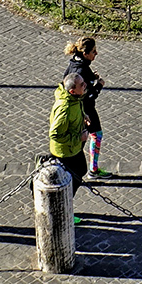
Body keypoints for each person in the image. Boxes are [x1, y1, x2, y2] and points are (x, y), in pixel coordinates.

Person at [64, 37, 108, 177]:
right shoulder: (82, 69)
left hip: (78, 108)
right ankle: (92, 170)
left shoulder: (75, 63)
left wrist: (91, 77)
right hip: (85, 109)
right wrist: (99, 85)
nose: (96, 54)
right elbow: (88, 96)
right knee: (94, 135)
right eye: (93, 51)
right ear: (85, 53)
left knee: (83, 138)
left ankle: (71, 169)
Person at [48, 72, 91, 197]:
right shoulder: (64, 109)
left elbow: (77, 107)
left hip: (74, 148)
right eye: (82, 85)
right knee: (72, 177)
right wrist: (79, 138)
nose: (85, 85)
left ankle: (66, 200)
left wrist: (83, 116)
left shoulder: (75, 98)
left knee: (81, 170)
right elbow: (55, 134)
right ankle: (65, 204)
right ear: (72, 91)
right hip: (65, 152)